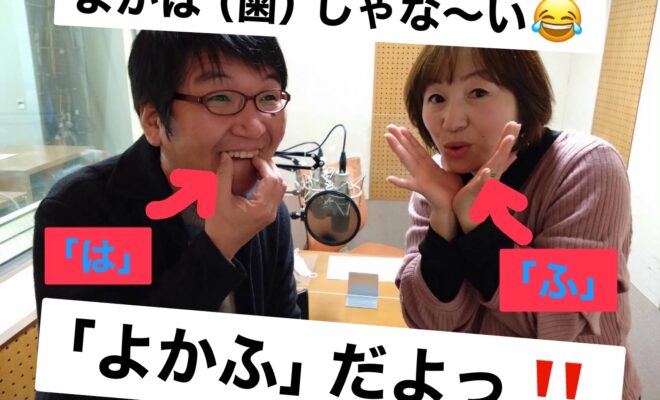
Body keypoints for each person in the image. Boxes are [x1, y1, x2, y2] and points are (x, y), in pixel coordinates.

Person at [33, 31, 300, 398]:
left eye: (268, 97)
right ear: (154, 121)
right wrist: (218, 247)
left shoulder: (266, 211)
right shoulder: (86, 212)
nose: (254, 126)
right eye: (220, 98)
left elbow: (284, 343)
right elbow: (92, 380)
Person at [385, 46, 641, 400]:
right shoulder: (435, 182)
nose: (451, 121)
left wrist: (477, 227)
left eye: (478, 92)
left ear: (523, 97)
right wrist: (444, 218)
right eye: (437, 98)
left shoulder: (588, 165)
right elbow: (427, 321)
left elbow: (561, 321)